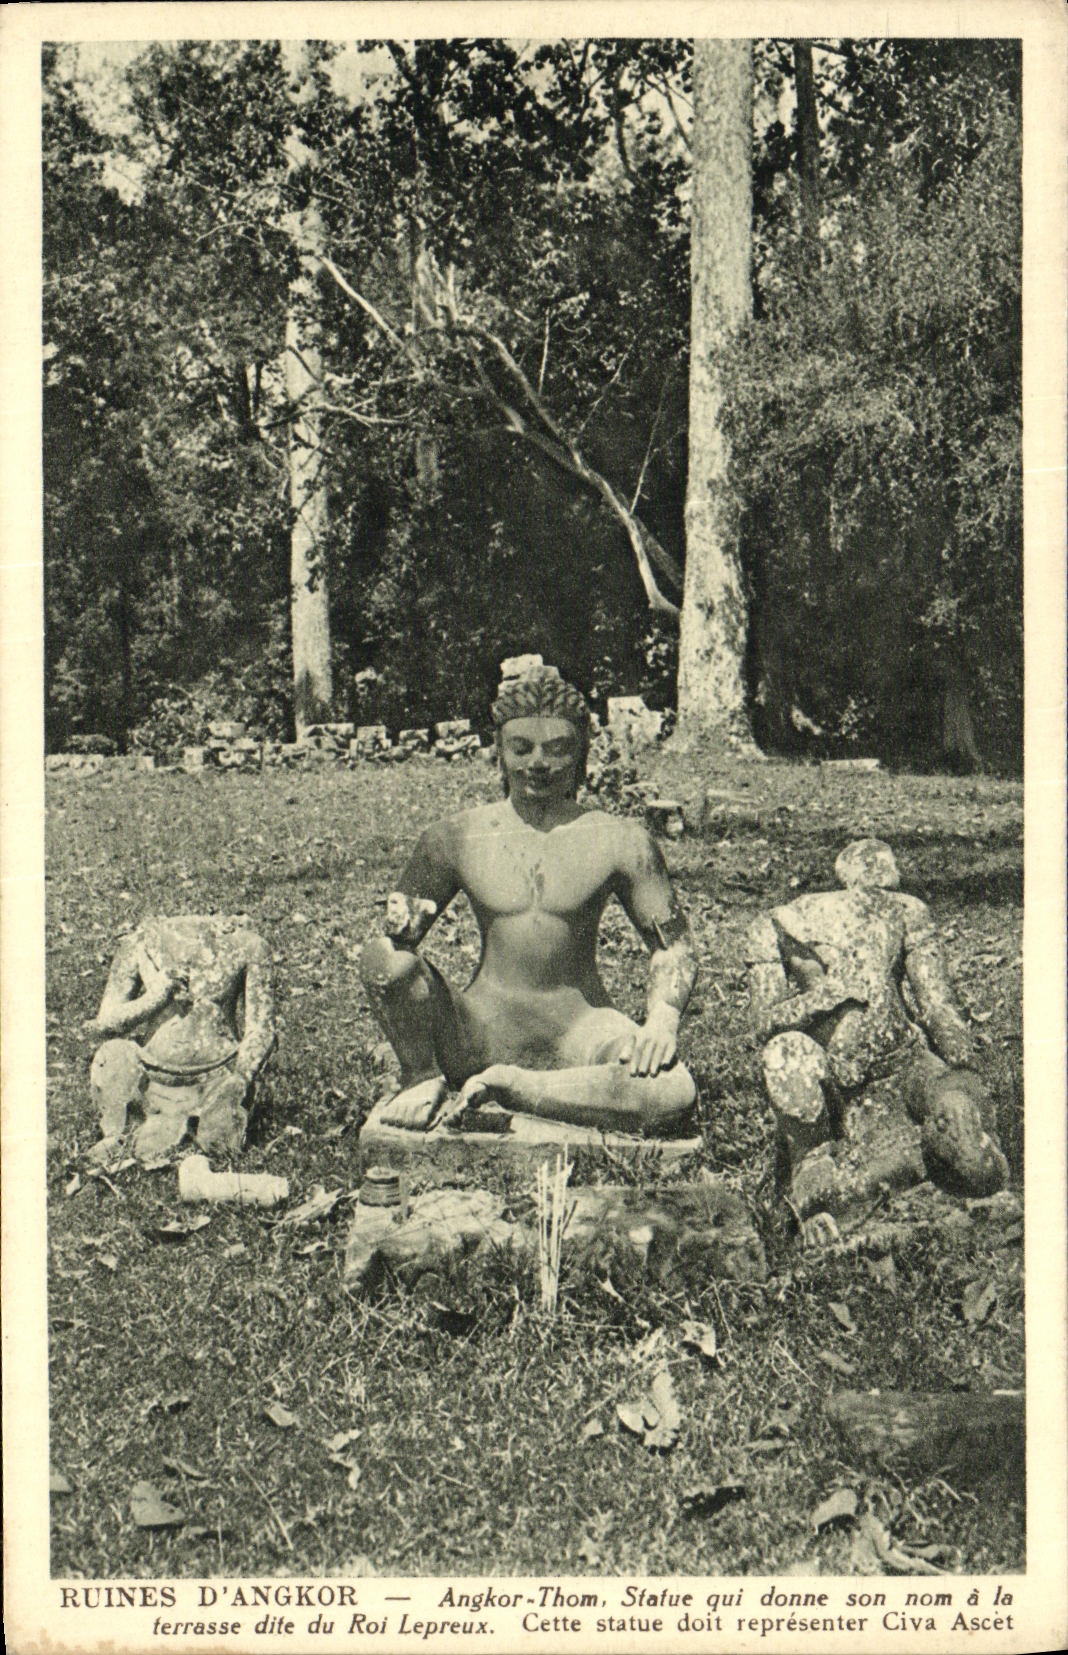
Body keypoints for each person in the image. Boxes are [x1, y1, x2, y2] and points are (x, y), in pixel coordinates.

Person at [360, 665, 697, 1134]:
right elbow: (396, 948)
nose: (538, 763)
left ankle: (516, 1088)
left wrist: (661, 1022)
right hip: (475, 1030)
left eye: (557, 749)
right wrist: (402, 934)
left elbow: (673, 946)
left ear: (581, 754)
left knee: (673, 1089)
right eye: (521, 748)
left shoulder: (620, 839)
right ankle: (422, 1077)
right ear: (498, 753)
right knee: (381, 958)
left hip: (581, 1031)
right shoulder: (455, 837)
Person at [745, 838, 1007, 1220]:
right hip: (832, 1080)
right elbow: (762, 1025)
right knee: (785, 1054)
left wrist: (963, 1071)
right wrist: (827, 996)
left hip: (903, 1064)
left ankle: (926, 1176)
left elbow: (938, 1006)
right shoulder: (776, 922)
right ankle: (816, 1176)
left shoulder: (907, 911)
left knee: (956, 1114)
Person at [85, 914, 275, 1161]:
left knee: (220, 1132)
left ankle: (208, 1125)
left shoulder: (249, 946)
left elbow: (261, 1028)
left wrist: (242, 1075)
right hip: (150, 1074)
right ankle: (121, 1131)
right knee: (112, 1054)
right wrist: (156, 998)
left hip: (216, 1077)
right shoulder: (141, 943)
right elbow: (106, 1023)